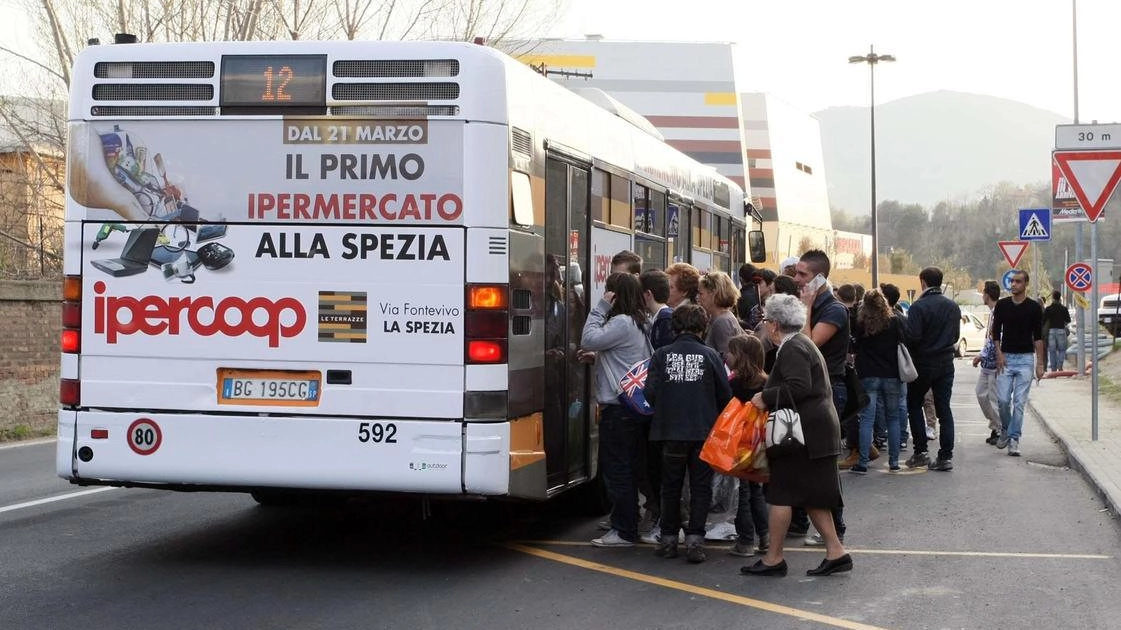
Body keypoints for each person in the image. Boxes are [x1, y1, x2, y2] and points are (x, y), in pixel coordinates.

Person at [741, 294, 851, 577]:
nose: (764, 325)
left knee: (781, 495)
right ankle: (836, 552)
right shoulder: (802, 344)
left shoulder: (792, 349)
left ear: (775, 325)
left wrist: (766, 397)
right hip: (815, 432)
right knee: (811, 495)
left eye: (766, 321)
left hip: (802, 435)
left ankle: (773, 558)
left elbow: (799, 387)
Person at [643, 303, 732, 563]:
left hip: (670, 430)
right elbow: (725, 394)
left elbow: (649, 392)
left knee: (670, 486)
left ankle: (669, 539)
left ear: (675, 326)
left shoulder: (661, 354)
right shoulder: (711, 355)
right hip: (703, 430)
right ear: (703, 326)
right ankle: (695, 540)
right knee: (700, 487)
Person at [581, 272, 654, 547]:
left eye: (608, 291)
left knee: (617, 469)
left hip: (617, 407)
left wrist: (600, 308)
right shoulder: (639, 321)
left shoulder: (622, 322)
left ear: (615, 295)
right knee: (631, 466)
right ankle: (629, 523)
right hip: (632, 406)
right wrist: (598, 358)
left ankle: (624, 530)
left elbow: (588, 337)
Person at [793, 249, 851, 544]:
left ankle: (835, 528)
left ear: (819, 278)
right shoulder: (813, 304)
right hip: (809, 391)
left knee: (823, 463)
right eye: (796, 273)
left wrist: (805, 308)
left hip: (828, 392)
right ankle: (800, 519)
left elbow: (808, 345)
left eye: (803, 275)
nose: (797, 279)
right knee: (804, 458)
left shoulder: (833, 309)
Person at [903, 267, 961, 471]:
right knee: (944, 408)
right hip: (946, 363)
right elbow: (955, 337)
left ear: (923, 282)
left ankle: (921, 452)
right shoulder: (952, 306)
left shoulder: (918, 307)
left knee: (914, 404)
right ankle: (945, 456)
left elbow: (913, 337)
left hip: (923, 363)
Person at [991, 269, 1045, 457]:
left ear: (1025, 284)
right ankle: (1006, 428)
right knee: (1003, 400)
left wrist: (1040, 364)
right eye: (1012, 281)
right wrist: (999, 353)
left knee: (1019, 402)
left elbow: (1038, 337)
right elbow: (995, 331)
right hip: (1006, 358)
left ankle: (1014, 439)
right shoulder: (1003, 305)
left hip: (1025, 360)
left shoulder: (1033, 308)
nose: (1013, 284)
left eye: (1018, 282)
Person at [726, 334, 770, 557]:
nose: (726, 355)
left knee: (742, 491)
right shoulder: (766, 382)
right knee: (757, 490)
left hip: (740, 443)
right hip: (760, 443)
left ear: (740, 357)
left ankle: (745, 541)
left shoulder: (734, 383)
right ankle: (764, 537)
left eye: (730, 352)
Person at [851, 290, 905, 473]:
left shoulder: (862, 323)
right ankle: (894, 461)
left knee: (867, 418)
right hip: (891, 374)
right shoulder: (895, 321)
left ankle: (863, 462)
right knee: (893, 418)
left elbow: (855, 347)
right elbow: (905, 340)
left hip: (868, 374)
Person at [973, 281, 1002, 445]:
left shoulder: (998, 313)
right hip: (987, 363)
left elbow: (995, 339)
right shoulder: (992, 312)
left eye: (983, 293)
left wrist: (981, 355)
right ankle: (995, 424)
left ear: (987, 295)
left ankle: (999, 428)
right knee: (981, 393)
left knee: (993, 398)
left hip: (995, 363)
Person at [698, 270, 742, 358]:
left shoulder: (723, 322)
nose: (698, 298)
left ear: (713, 293)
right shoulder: (719, 318)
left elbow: (726, 359)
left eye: (701, 293)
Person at [1042, 290, 1071, 372]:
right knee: (1062, 349)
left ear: (1053, 298)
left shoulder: (1048, 309)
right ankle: (1060, 366)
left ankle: (1054, 369)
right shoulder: (1064, 309)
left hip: (1051, 332)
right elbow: (1068, 320)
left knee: (1052, 350)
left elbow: (1043, 321)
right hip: (1061, 331)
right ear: (1059, 298)